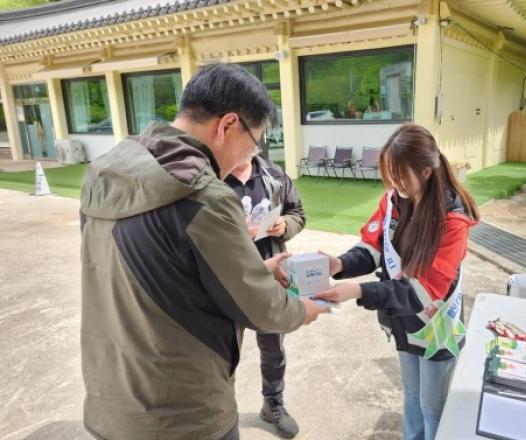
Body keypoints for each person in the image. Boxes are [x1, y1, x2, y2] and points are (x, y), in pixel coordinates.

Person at [80, 63, 328, 440]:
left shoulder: (105, 172)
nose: (251, 154)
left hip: (110, 398)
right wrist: (302, 310)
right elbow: (261, 309)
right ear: (228, 125)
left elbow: (166, 274)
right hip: (183, 413)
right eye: (254, 141)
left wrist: (259, 270)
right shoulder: (204, 196)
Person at [314, 124, 480, 440]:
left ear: (427, 171)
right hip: (404, 320)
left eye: (400, 175)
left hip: (435, 328)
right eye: (389, 174)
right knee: (411, 396)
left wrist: (357, 290)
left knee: (433, 407)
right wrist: (340, 264)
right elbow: (374, 247)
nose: (393, 182)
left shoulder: (453, 221)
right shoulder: (394, 200)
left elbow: (423, 292)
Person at [224, 153, 305, 438]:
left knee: (273, 348)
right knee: (222, 351)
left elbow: (298, 213)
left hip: (270, 279)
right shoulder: (213, 177)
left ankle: (273, 404)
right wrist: (236, 232)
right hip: (228, 279)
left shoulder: (274, 175)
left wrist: (285, 225)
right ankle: (222, 414)